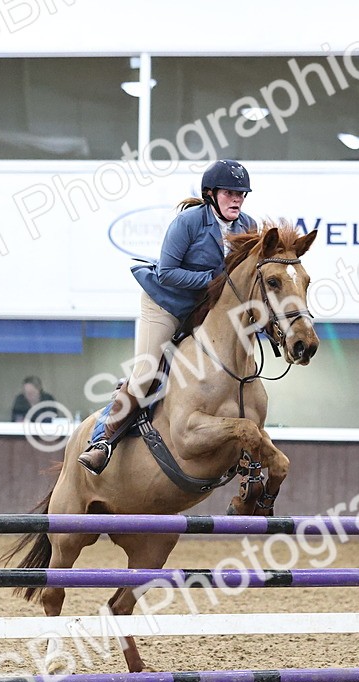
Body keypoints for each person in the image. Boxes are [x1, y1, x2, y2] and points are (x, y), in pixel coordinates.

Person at [76, 159, 258, 475]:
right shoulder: (189, 223)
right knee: (147, 373)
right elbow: (167, 273)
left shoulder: (248, 226)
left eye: (242, 194)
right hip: (167, 305)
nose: (237, 199)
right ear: (211, 194)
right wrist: (214, 281)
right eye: (230, 193)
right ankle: (102, 443)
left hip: (207, 312)